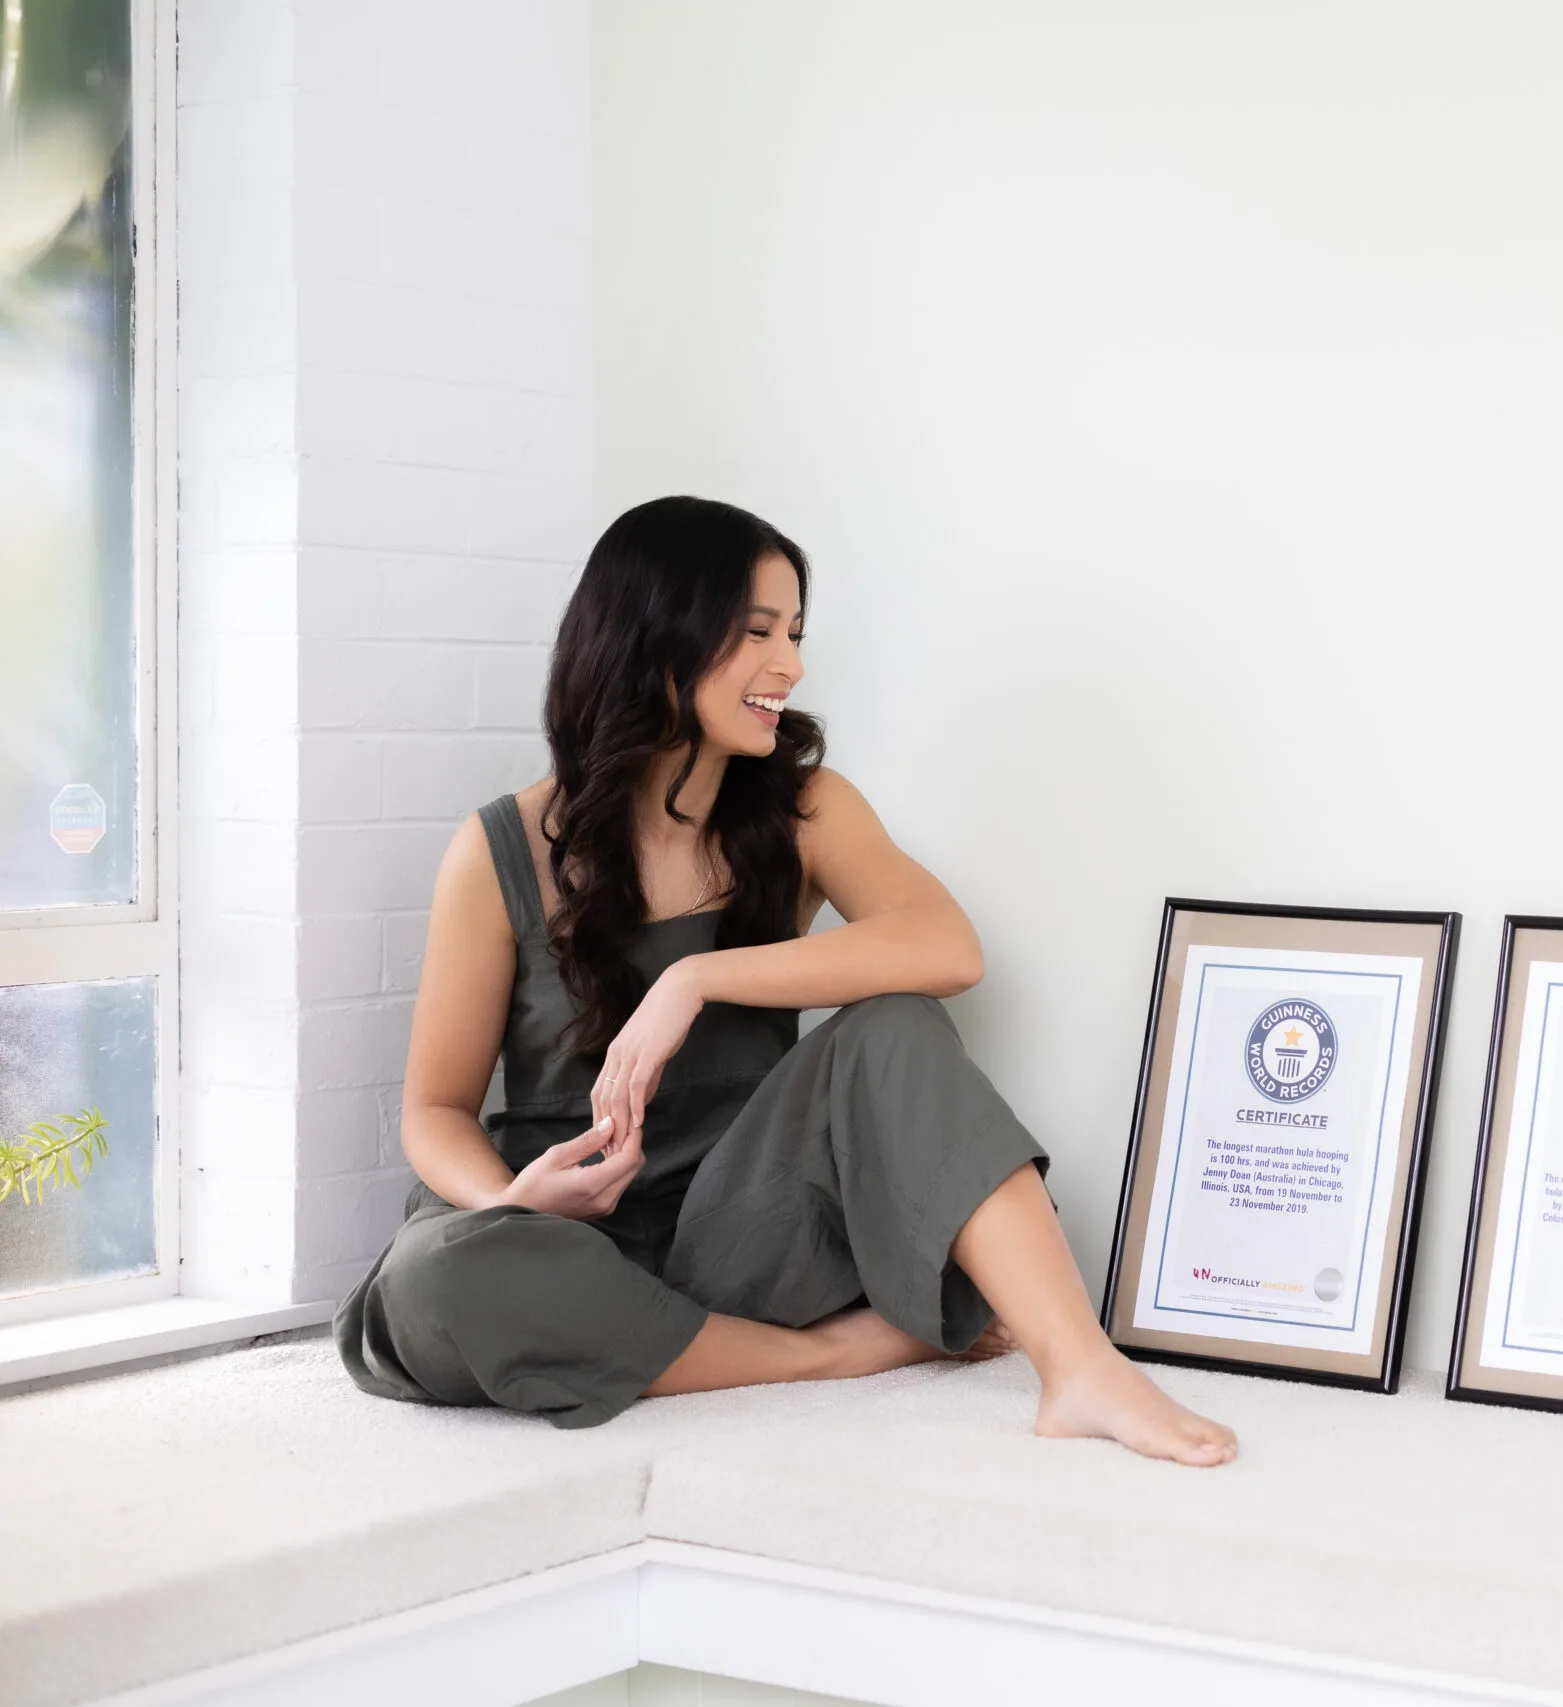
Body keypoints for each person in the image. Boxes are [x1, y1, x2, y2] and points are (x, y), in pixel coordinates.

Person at [334, 496, 1236, 1466]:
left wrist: (696, 979)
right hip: (556, 1240)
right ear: (655, 637)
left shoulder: (804, 807)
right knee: (437, 1284)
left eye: (795, 633)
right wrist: (513, 1202)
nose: (790, 666)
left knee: (894, 1020)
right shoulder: (498, 849)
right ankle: (823, 1357)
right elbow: (434, 1109)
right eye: (757, 632)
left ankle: (1081, 1370)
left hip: (742, 1234)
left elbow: (946, 947)